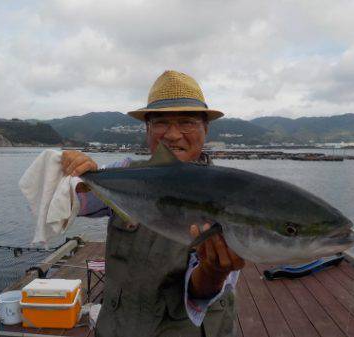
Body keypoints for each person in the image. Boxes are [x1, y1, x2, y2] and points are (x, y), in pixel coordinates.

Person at [61, 70, 245, 337]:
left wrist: (214, 270)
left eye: (187, 122)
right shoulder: (123, 172)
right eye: (160, 123)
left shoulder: (228, 193)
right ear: (147, 129)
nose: (172, 135)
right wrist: (71, 168)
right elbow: (72, 202)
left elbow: (200, 292)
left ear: (205, 128)